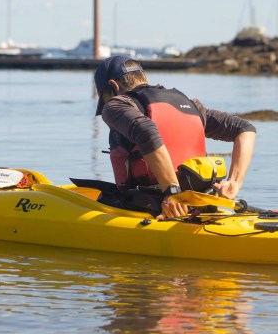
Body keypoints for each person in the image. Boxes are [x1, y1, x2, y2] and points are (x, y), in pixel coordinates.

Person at [94, 55, 256, 218]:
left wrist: (172, 193)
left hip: (151, 204)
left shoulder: (115, 105)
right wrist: (234, 181)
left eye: (105, 98)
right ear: (142, 77)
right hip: (199, 202)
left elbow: (146, 131)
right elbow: (245, 129)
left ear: (113, 86)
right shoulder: (190, 104)